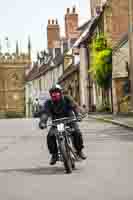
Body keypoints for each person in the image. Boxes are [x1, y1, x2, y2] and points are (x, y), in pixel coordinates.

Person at [40, 84, 87, 165]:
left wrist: (78, 115)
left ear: (60, 92)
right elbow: (45, 114)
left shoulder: (67, 99)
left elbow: (75, 107)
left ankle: (79, 151)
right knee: (50, 136)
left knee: (77, 132)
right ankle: (54, 154)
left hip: (70, 121)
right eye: (53, 93)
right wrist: (43, 122)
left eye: (57, 92)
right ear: (51, 94)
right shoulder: (48, 103)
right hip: (56, 123)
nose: (55, 94)